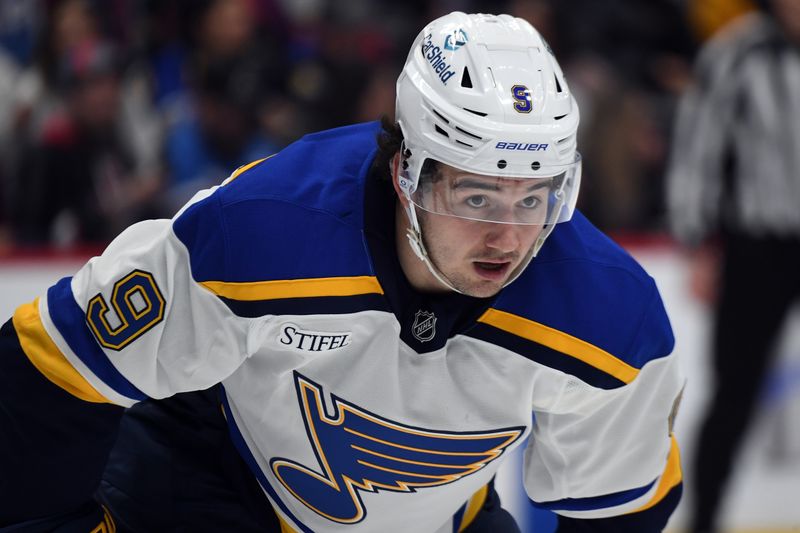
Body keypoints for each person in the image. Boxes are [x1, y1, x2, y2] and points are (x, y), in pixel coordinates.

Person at [0, 12, 684, 532]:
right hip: (214, 474)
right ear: (406, 173)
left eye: (534, 197)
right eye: (475, 196)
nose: (508, 235)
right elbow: (50, 364)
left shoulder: (612, 318)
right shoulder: (261, 230)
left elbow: (618, 507)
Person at [666, 1, 800, 532]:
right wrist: (697, 242)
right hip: (757, 245)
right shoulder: (737, 52)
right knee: (735, 391)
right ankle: (707, 519)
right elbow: (697, 150)